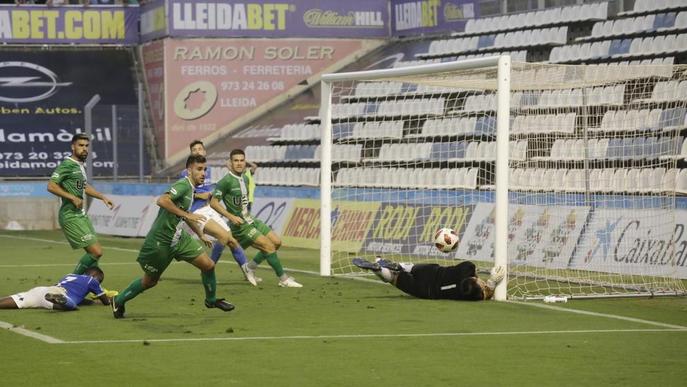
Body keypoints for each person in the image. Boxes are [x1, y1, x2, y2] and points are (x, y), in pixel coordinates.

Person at [111, 154, 235, 319]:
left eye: (205, 169)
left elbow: (185, 215)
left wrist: (201, 234)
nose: (203, 173)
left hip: (179, 238)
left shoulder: (191, 189)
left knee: (208, 265)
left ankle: (211, 300)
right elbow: (162, 200)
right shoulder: (183, 185)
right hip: (161, 241)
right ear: (189, 170)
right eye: (199, 169)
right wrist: (187, 215)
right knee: (150, 282)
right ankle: (118, 300)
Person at [211, 149, 302, 288]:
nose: (239, 163)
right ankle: (283, 279)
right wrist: (231, 216)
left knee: (276, 242)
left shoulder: (246, 178)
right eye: (236, 160)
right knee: (268, 246)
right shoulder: (225, 182)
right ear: (230, 163)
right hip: (240, 225)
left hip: (250, 219)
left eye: (242, 160)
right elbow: (213, 202)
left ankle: (250, 267)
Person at [182, 140, 258, 286]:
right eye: (194, 150)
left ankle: (246, 270)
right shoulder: (186, 172)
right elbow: (183, 192)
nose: (198, 151)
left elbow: (231, 170)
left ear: (205, 152)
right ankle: (208, 269)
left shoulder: (207, 169)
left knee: (231, 240)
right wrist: (198, 195)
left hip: (209, 209)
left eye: (200, 149)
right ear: (191, 153)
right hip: (195, 212)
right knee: (222, 236)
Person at [47, 133, 114, 275]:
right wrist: (71, 197)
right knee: (96, 252)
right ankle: (69, 284)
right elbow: (51, 186)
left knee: (94, 256)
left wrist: (102, 197)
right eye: (81, 145)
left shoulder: (79, 166)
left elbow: (84, 186)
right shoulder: (67, 164)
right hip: (70, 216)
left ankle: (92, 286)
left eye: (86, 146)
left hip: (80, 215)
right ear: (73, 146)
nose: (84, 149)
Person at [352, 257, 505, 301]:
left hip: (431, 272)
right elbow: (485, 294)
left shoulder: (468, 266)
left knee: (411, 268)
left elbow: (479, 285)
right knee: (394, 279)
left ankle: (398, 265)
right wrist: (492, 283)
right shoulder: (467, 293)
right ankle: (380, 270)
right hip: (426, 291)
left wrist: (484, 278)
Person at [0, 267, 110, 311]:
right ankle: (60, 300)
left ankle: (57, 299)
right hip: (59, 294)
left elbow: (79, 297)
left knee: (19, 299)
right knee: (72, 306)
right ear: (96, 277)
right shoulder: (92, 281)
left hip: (43, 291)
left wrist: (91, 302)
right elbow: (106, 302)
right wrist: (113, 298)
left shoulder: (69, 275)